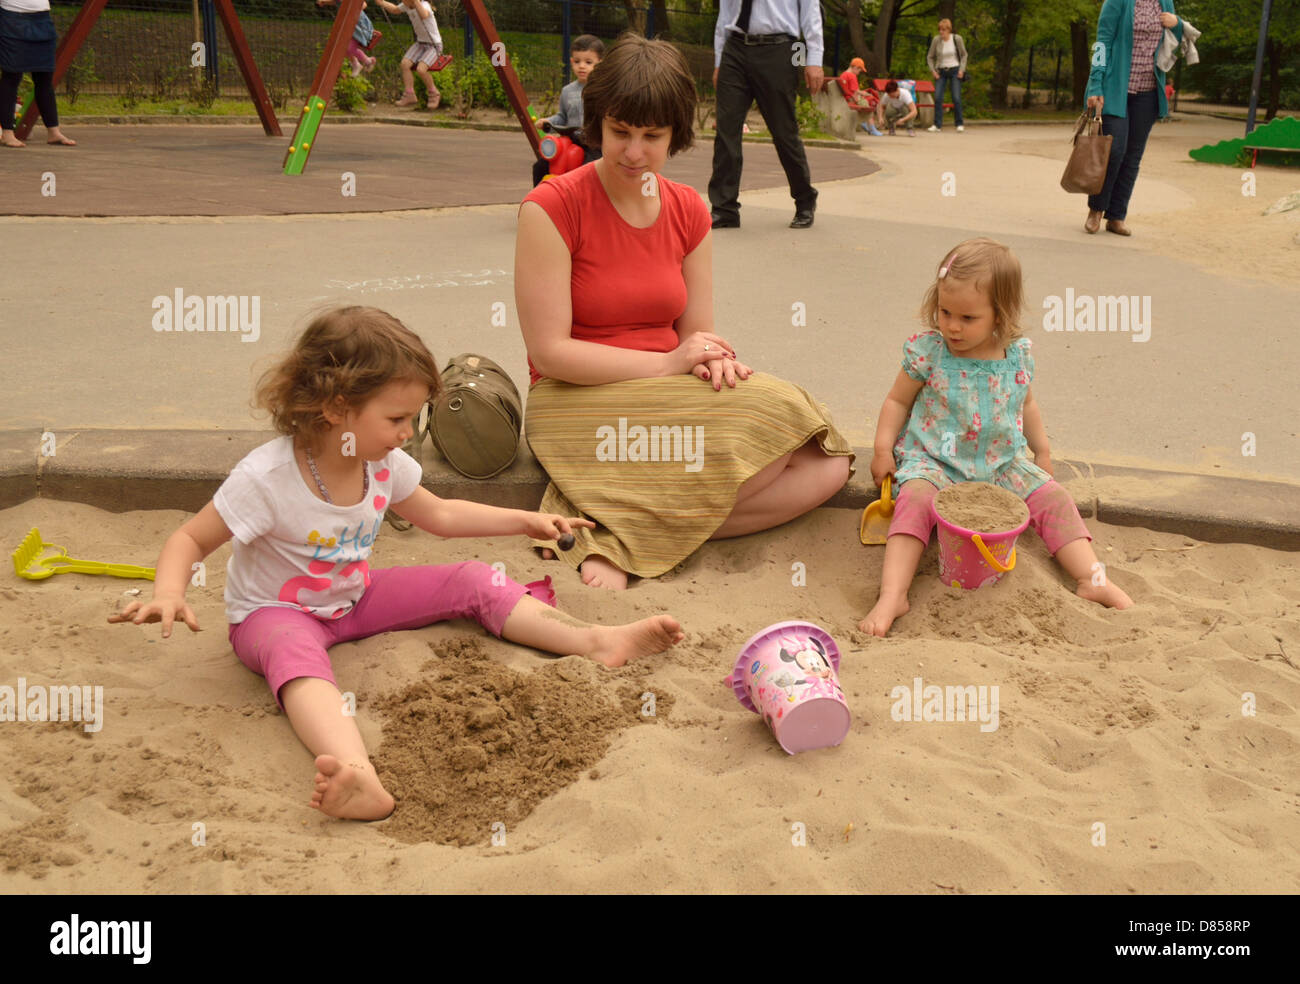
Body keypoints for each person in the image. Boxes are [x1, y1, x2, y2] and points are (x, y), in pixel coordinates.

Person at [108, 306, 685, 820]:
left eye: (414, 418)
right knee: (297, 657)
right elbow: (190, 538)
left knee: (471, 577)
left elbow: (442, 516)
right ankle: (357, 773)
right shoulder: (266, 477)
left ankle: (597, 641)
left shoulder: (382, 461)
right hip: (273, 613)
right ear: (336, 408)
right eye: (396, 419)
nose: (408, 433)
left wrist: (523, 521)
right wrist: (168, 591)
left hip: (355, 597)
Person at [516, 35, 853, 591]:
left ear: (676, 135)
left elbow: (696, 332)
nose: (632, 151)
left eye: (652, 136)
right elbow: (550, 353)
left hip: (668, 387)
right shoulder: (551, 207)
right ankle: (636, 530)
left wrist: (709, 360)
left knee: (826, 464)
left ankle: (622, 531)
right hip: (574, 396)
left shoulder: (689, 209)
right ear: (597, 122)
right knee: (765, 451)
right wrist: (670, 364)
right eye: (620, 131)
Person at [859, 238, 1133, 637]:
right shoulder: (930, 352)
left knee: (1054, 497)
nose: (952, 325)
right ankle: (893, 594)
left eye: (968, 318)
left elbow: (1028, 405)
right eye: (945, 311)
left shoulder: (1016, 355)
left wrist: (1042, 450)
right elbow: (897, 401)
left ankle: (1091, 577)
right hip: (935, 461)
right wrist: (883, 448)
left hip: (1001, 463)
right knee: (913, 500)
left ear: (999, 315)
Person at [709, 0, 825, 229]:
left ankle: (804, 200)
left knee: (784, 132)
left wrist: (814, 59)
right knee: (726, 131)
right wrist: (718, 60)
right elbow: (725, 13)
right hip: (735, 49)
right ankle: (724, 209)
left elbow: (810, 12)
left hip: (782, 49)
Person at [1084, 0, 1183, 236]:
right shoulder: (1118, 2)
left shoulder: (1164, 2)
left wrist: (1177, 24)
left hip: (1147, 93)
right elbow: (1101, 43)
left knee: (1132, 156)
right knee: (1114, 150)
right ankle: (1096, 209)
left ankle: (1117, 216)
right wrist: (1095, 84)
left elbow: (1173, 42)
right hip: (1115, 89)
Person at [532, 34, 604, 187]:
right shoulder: (567, 91)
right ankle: (539, 200)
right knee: (540, 166)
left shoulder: (603, 91)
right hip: (571, 141)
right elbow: (562, 117)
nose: (582, 66)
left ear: (600, 64)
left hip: (593, 143)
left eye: (588, 62)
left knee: (589, 170)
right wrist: (548, 122)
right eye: (577, 61)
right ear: (571, 62)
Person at [0, 0, 74, 148]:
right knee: (12, 76)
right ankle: (7, 133)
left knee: (45, 76)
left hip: (42, 18)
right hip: (11, 18)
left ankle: (53, 131)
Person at [375, 0, 442, 109]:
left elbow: (424, 15)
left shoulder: (424, 5)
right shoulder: (407, 5)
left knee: (421, 69)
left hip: (434, 46)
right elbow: (395, 9)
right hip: (420, 43)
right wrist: (382, 2)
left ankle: (434, 92)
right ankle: (409, 94)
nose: (402, 1)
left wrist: (416, 2)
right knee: (405, 64)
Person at [316, 0, 378, 78]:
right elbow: (335, 1)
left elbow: (364, 4)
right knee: (344, 47)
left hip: (358, 26)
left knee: (349, 48)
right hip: (349, 25)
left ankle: (367, 61)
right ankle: (358, 63)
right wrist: (325, 2)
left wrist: (353, 11)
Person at [925, 18, 967, 132]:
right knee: (938, 97)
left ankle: (959, 123)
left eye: (943, 30)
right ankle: (937, 125)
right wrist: (933, 70)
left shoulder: (957, 39)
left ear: (949, 29)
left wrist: (961, 70)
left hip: (955, 70)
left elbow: (964, 55)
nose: (941, 32)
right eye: (940, 30)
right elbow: (930, 56)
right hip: (941, 71)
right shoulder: (936, 40)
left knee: (956, 97)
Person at [836, 57, 881, 136]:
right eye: (860, 70)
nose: (859, 72)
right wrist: (865, 95)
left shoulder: (843, 74)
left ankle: (865, 123)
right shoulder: (852, 76)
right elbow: (855, 92)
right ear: (856, 67)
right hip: (851, 100)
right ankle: (871, 128)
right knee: (869, 104)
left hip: (844, 99)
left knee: (866, 101)